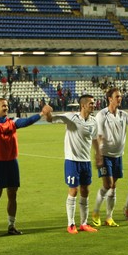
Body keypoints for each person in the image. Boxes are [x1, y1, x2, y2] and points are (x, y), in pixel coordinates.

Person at [0, 92, 52, 236]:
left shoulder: (12, 122)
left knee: (12, 194)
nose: (6, 107)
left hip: (12, 163)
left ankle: (11, 225)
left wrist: (40, 114)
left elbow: (26, 122)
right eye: (3, 105)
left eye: (7, 105)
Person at [48, 94, 99, 233]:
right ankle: (71, 224)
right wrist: (47, 113)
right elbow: (52, 119)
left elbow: (95, 139)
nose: (93, 105)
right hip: (72, 160)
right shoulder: (72, 118)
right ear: (83, 105)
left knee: (85, 191)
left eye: (93, 103)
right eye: (91, 103)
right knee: (73, 190)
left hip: (86, 161)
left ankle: (84, 223)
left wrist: (98, 155)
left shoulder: (94, 122)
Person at [91, 87, 128, 227]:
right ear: (110, 98)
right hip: (105, 155)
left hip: (118, 155)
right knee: (108, 184)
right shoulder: (102, 115)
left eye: (120, 96)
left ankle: (109, 217)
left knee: (113, 186)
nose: (120, 98)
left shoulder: (123, 115)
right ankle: (95, 211)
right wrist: (98, 154)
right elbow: (99, 136)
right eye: (117, 96)